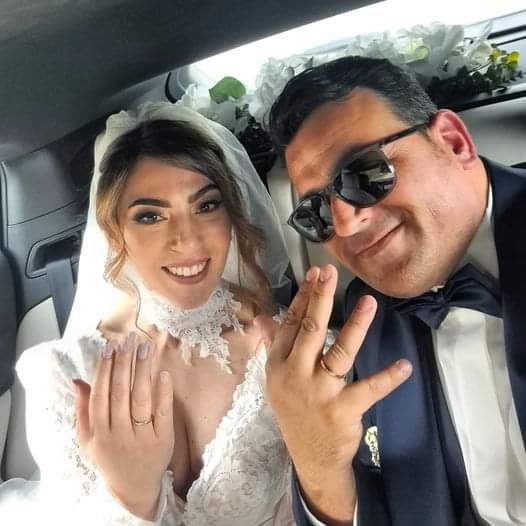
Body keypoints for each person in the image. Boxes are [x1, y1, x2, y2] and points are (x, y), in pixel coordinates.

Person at [6, 102, 297, 525]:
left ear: (231, 216)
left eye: (206, 206)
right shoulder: (64, 375)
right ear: (115, 231)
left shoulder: (287, 349)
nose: (186, 239)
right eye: (150, 216)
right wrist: (132, 498)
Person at [265, 55, 526, 526]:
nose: (345, 224)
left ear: (453, 142)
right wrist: (317, 465)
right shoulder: (367, 320)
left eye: (365, 172)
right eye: (316, 213)